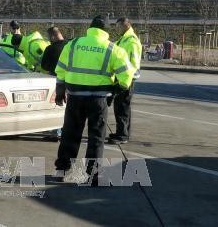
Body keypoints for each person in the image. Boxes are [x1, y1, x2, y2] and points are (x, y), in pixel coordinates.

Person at [54, 15, 134, 185]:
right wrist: (114, 91)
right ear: (106, 31)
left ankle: (61, 170)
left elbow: (60, 69)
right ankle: (93, 175)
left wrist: (60, 91)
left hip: (74, 98)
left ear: (90, 28)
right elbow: (127, 77)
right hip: (98, 101)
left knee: (70, 134)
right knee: (96, 137)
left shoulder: (73, 44)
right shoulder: (113, 49)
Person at [108, 18, 142, 145]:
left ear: (124, 25)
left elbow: (134, 63)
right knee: (121, 107)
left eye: (118, 27)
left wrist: (128, 79)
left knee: (122, 107)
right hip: (123, 78)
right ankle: (122, 132)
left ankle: (122, 135)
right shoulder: (124, 39)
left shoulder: (131, 41)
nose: (117, 29)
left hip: (127, 79)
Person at [41, 26, 66, 141]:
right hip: (72, 79)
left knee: (56, 105)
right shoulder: (71, 46)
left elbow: (44, 66)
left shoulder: (50, 49)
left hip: (55, 79)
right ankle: (66, 131)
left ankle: (56, 133)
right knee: (68, 107)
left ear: (52, 36)